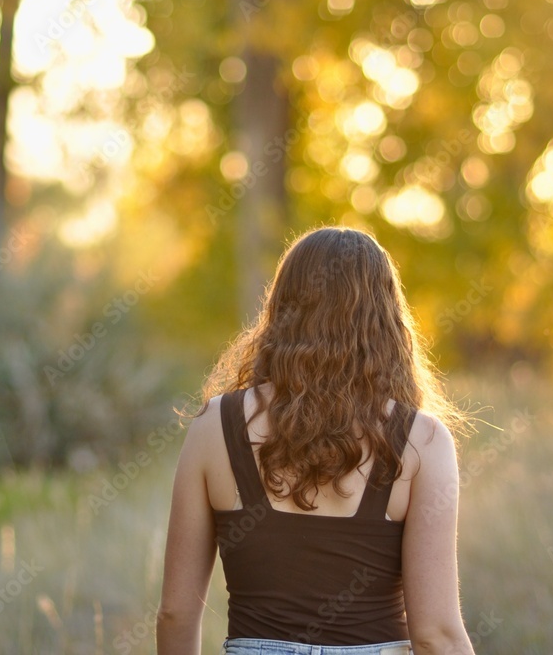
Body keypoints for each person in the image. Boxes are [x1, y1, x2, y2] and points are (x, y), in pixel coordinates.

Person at [156, 226, 476, 655]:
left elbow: (175, 614)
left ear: (281, 307)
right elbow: (435, 634)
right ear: (386, 317)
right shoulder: (423, 441)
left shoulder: (215, 427)